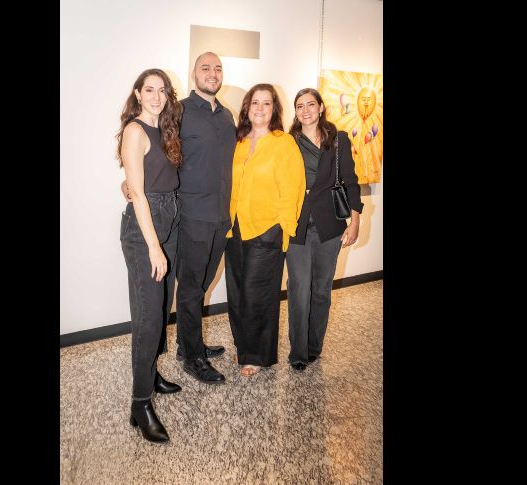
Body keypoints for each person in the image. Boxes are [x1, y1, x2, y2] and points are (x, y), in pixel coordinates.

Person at [122, 52, 236, 384]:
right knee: (188, 288)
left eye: (217, 69)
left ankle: (191, 343)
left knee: (201, 284)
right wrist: (130, 184)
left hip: (220, 217)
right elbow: (155, 150)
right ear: (194, 74)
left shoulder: (227, 116)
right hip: (190, 216)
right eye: (205, 68)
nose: (212, 73)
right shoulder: (180, 111)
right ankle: (192, 358)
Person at [117, 68, 183, 443]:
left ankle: (151, 373)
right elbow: (138, 194)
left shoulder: (166, 129)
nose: (156, 96)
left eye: (162, 90)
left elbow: (139, 180)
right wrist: (154, 245)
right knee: (147, 318)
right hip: (145, 230)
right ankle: (139, 404)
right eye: (150, 90)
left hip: (169, 218)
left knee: (160, 309)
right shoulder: (135, 130)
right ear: (138, 94)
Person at [225, 83, 305, 377]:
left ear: (274, 109)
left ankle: (256, 356)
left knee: (258, 293)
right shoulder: (238, 141)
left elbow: (293, 188)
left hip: (267, 227)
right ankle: (243, 344)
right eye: (255, 102)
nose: (260, 108)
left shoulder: (283, 143)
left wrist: (284, 228)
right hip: (235, 227)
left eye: (266, 103)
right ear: (246, 107)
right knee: (236, 291)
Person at [285, 88, 364, 371]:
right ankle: (298, 351)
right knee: (298, 289)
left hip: (330, 226)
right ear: (295, 112)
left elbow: (351, 181)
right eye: (299, 106)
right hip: (297, 226)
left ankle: (314, 346)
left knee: (321, 290)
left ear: (320, 107)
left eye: (310, 104)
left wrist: (355, 220)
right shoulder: (288, 142)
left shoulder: (338, 140)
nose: (305, 110)